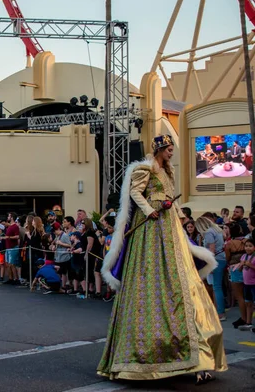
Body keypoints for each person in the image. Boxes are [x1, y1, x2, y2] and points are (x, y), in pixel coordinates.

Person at [99, 134, 227, 385]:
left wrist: (179, 218)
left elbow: (174, 203)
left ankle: (196, 358)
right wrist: (150, 210)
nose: (171, 153)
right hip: (151, 226)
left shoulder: (169, 173)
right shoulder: (145, 169)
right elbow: (136, 193)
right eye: (168, 149)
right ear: (158, 149)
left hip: (169, 227)